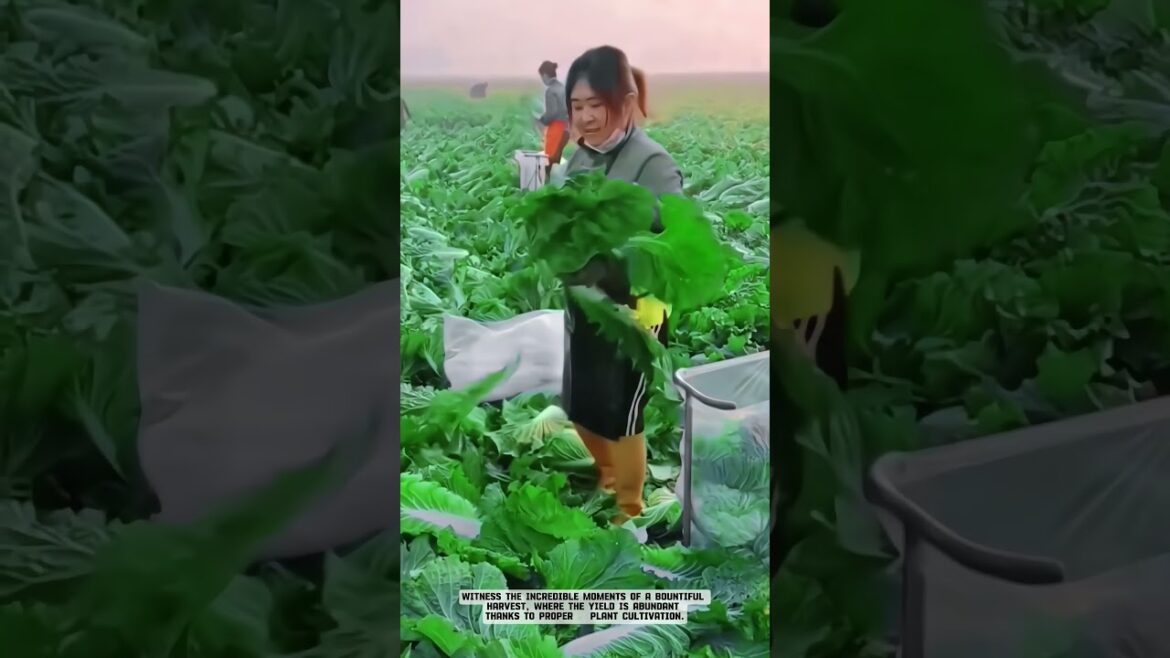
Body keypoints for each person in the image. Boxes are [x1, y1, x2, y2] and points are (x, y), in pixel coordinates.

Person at [559, 45, 683, 526]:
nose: (587, 118)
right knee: (582, 405)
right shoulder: (581, 158)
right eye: (578, 106)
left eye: (597, 105)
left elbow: (673, 234)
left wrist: (619, 223)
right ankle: (607, 476)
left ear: (626, 101)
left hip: (635, 309)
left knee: (622, 413)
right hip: (587, 301)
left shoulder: (652, 162)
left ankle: (629, 507)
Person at [535, 60, 570, 181]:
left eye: (542, 77)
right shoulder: (563, 88)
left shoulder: (551, 91)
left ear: (545, 75)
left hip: (557, 129)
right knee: (556, 161)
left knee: (548, 163)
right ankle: (556, 188)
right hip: (566, 130)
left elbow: (552, 113)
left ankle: (545, 188)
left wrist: (541, 120)